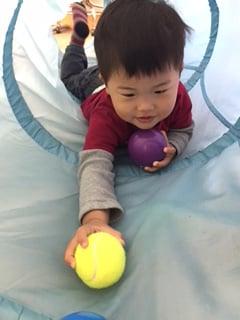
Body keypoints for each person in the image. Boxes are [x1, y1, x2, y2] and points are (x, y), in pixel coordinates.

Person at [61, 0, 194, 268]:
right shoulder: (106, 116)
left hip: (115, 74)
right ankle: (77, 39)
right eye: (129, 95)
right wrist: (95, 220)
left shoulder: (178, 96)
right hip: (92, 84)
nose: (145, 107)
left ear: (178, 71)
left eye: (159, 91)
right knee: (70, 75)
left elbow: (184, 127)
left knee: (132, 77)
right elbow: (94, 165)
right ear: (110, 85)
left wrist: (174, 147)